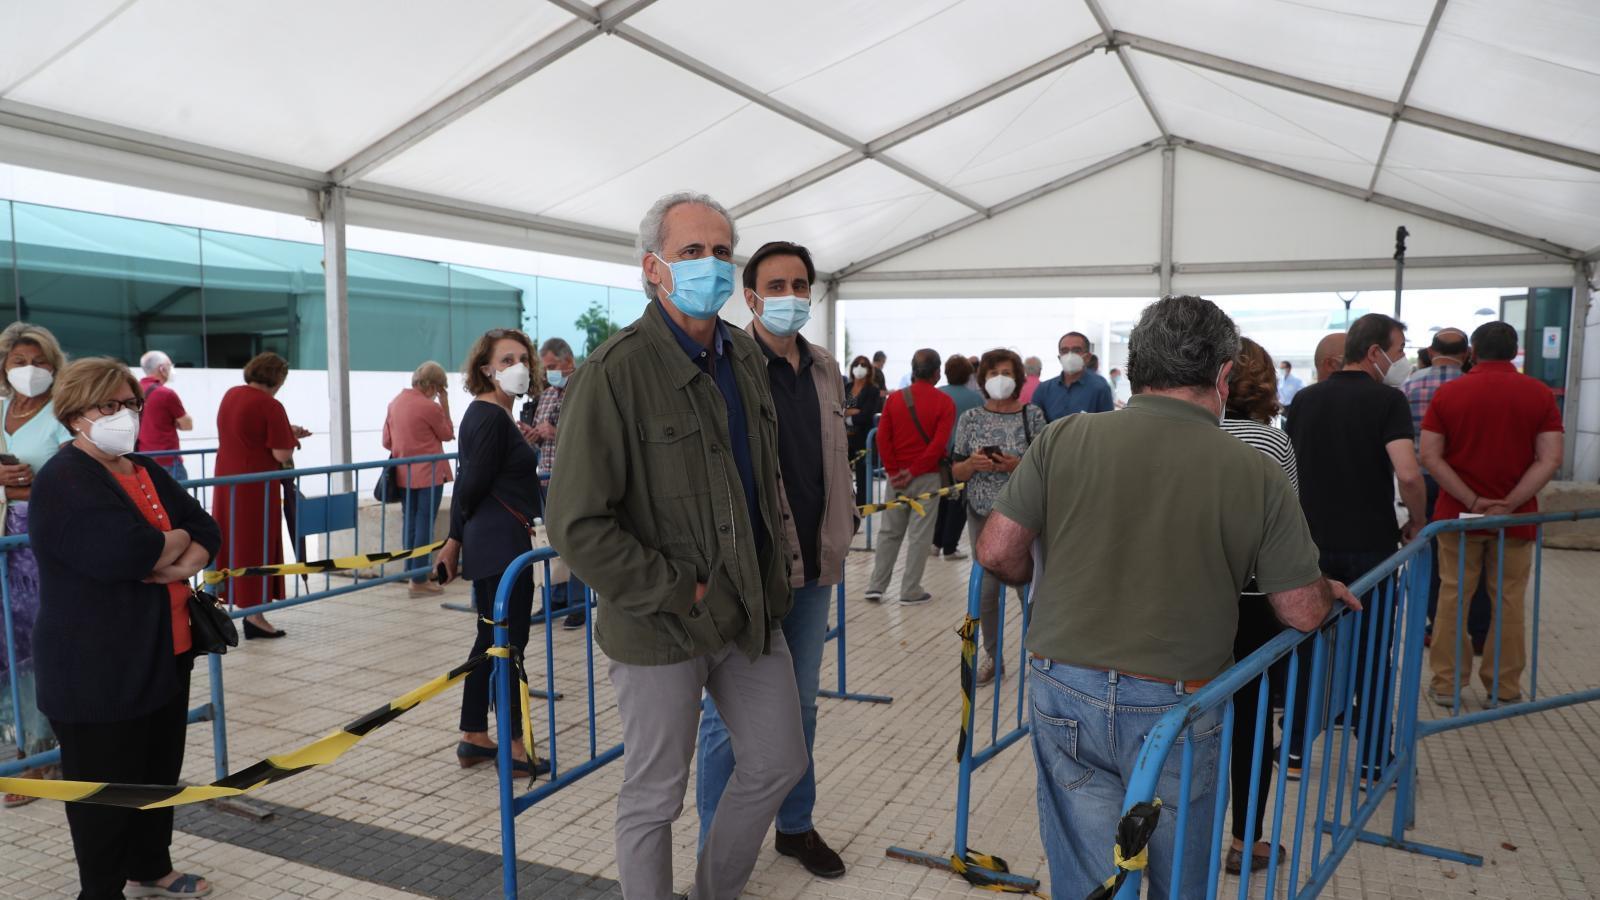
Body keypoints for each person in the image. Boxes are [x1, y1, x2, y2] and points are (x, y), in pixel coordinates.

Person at [975, 295, 1356, 900]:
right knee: (1179, 874)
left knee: (1090, 875)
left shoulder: (1064, 438)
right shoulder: (1255, 467)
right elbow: (1301, 611)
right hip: (1180, 697)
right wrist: (1324, 589)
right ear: (1223, 375)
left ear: (1135, 366)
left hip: (1063, 680)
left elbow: (997, 552)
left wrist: (1038, 576)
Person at [544, 192, 806, 900]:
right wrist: (681, 588)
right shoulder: (614, 372)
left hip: (745, 610)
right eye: (692, 251)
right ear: (653, 268)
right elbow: (576, 524)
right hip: (660, 624)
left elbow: (758, 482)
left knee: (778, 760)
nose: (710, 265)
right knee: (656, 794)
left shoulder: (743, 356)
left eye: (721, 252)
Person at [30, 357, 222, 900]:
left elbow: (205, 526)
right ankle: (101, 891)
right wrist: (171, 543)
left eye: (131, 404)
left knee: (156, 773)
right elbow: (127, 553)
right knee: (104, 792)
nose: (126, 416)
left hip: (165, 650)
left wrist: (175, 562)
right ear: (75, 413)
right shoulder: (65, 479)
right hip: (96, 665)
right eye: (109, 405)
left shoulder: (142, 469)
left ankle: (150, 866)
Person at [696, 240, 856, 881]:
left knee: (802, 705)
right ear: (751, 297)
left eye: (800, 285)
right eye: (776, 286)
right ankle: (716, 849)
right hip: (750, 574)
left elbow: (832, 459)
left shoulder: (824, 367)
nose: (791, 296)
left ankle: (794, 825)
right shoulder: (725, 366)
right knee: (724, 720)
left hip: (812, 566)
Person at [1283, 313, 1426, 776]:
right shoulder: (1388, 401)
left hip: (1311, 547)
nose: (1401, 359)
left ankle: (1294, 749)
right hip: (1370, 547)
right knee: (1373, 652)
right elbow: (1408, 474)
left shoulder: (1304, 400)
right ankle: (1373, 759)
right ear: (1374, 352)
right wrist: (1418, 521)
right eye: (1398, 350)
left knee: (1307, 647)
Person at [1420, 321, 1563, 706]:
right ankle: (1504, 687)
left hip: (1456, 515)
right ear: (1514, 352)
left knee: (1453, 596)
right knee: (1509, 600)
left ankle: (1447, 684)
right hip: (1516, 519)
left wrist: (1471, 500)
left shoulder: (1450, 394)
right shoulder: (1539, 394)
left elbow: (1430, 455)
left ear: (1473, 352)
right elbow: (1550, 458)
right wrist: (1510, 503)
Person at [435, 329, 547, 777]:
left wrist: (455, 539)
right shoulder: (488, 417)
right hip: (501, 546)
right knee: (508, 645)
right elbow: (470, 485)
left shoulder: (496, 416)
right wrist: (454, 540)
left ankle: (474, 736)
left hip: (497, 543)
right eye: (506, 360)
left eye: (523, 358)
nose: (518, 367)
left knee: (491, 641)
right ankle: (515, 749)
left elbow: (472, 479)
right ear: (486, 369)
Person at [1219, 338, 1300, 876]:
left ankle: (1170, 834)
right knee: (1250, 719)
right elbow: (1288, 528)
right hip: (1251, 599)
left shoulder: (1191, 435)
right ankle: (1245, 842)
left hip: (1190, 596)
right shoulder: (1272, 443)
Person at [0, 322, 72, 808]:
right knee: (6, 646)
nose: (30, 370)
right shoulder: (1, 408)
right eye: (19, 362)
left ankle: (43, 753)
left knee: (38, 643)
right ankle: (20, 742)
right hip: (3, 541)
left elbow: (75, 476)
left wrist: (21, 486)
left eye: (39, 361)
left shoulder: (62, 413)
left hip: (40, 543)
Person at [950, 348, 1046, 685]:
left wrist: (1017, 465)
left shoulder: (1032, 415)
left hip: (1023, 516)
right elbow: (957, 471)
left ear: (1018, 378)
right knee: (986, 592)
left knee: (1028, 590)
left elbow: (1046, 467)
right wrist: (971, 465)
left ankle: (1040, 657)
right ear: (983, 379)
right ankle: (992, 656)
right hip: (981, 515)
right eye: (992, 374)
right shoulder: (970, 419)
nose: (999, 379)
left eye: (1006, 372)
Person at [212, 352, 310, 640]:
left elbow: (247, 435)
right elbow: (281, 453)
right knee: (256, 545)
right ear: (278, 378)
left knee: (233, 543)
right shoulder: (270, 404)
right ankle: (254, 615)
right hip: (256, 488)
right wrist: (291, 439)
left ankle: (231, 602)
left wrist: (286, 433)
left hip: (227, 482)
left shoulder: (231, 395)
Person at [1403, 328, 1489, 647]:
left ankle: (1436, 625)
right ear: (1467, 354)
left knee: (1432, 556)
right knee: (1472, 556)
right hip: (1464, 486)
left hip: (1422, 482)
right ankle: (1478, 628)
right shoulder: (1473, 388)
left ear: (1430, 351)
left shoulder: (1408, 386)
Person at [865, 348, 956, 606]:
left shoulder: (895, 399)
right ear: (937, 373)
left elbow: (883, 438)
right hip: (927, 478)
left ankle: (876, 586)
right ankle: (910, 590)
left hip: (896, 480)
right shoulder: (944, 403)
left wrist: (894, 472)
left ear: (913, 370)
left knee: (889, 532)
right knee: (920, 537)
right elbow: (937, 446)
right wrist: (913, 471)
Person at [528, 336, 587, 630]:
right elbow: (542, 432)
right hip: (546, 475)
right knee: (550, 540)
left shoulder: (584, 388)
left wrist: (556, 431)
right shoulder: (548, 394)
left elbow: (588, 431)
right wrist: (533, 434)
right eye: (545, 368)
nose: (548, 372)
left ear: (568, 361)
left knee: (576, 540)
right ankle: (555, 600)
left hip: (575, 477)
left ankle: (579, 603)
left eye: (552, 366)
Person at [381, 361, 454, 596]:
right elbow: (447, 434)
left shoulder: (394, 403)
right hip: (430, 475)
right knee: (424, 524)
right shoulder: (430, 407)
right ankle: (420, 578)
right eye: (440, 389)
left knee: (410, 522)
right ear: (433, 386)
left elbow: (387, 442)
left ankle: (411, 573)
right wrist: (445, 404)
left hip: (403, 473)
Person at [932, 354, 983, 561]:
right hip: (963, 457)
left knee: (940, 499)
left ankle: (935, 543)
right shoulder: (976, 398)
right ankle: (950, 547)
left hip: (938, 455)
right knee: (958, 503)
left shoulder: (937, 394)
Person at [1031, 331, 1114, 422]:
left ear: (1088, 357)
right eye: (1064, 351)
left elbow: (1107, 424)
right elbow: (1035, 424)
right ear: (1059, 358)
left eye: (1076, 350)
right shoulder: (1044, 389)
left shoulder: (1100, 387)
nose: (1070, 355)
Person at [135, 351, 193, 481]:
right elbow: (187, 425)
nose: (172, 369)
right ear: (162, 369)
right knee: (178, 494)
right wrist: (175, 421)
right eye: (170, 365)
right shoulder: (166, 394)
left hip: (142, 459)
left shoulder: (133, 391)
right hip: (168, 462)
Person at [844, 354, 883, 507]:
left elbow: (866, 414)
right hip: (845, 438)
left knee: (862, 475)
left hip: (862, 438)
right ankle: (846, 505)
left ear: (869, 370)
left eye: (863, 365)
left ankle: (862, 507)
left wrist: (847, 416)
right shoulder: (846, 387)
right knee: (843, 475)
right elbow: (839, 408)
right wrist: (851, 412)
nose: (859, 368)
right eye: (857, 364)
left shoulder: (872, 390)